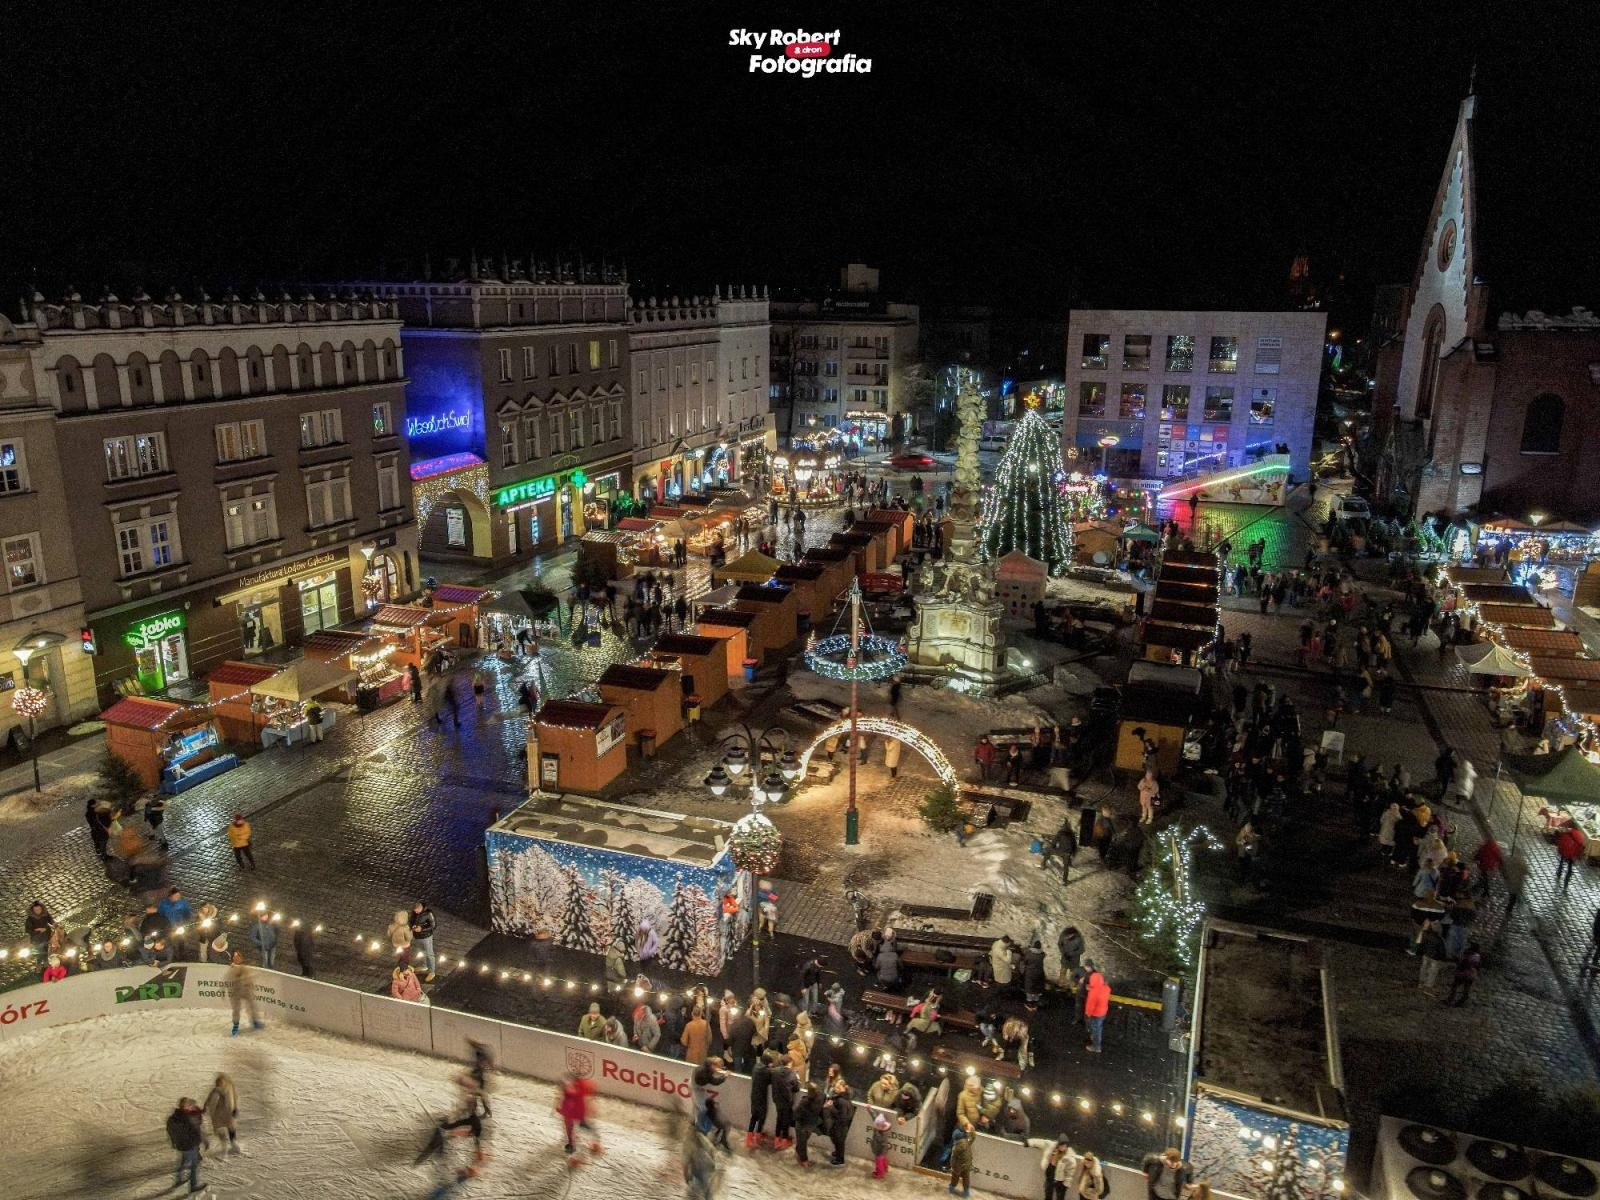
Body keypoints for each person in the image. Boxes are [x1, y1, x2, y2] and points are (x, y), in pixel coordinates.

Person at [557, 1071, 601, 1159]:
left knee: (582, 1126)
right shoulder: (571, 1090)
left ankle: (594, 1140)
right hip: (571, 1113)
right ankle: (571, 1144)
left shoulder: (581, 1086)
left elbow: (592, 1087)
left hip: (577, 1112)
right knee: (570, 1127)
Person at [166, 1097, 205, 1194]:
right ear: (185, 1106)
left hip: (181, 1146)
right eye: (189, 1105)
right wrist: (198, 1142)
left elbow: (170, 1131)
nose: (191, 1107)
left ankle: (178, 1180)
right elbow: (193, 1132)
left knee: (184, 1162)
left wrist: (174, 1142)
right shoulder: (187, 1118)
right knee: (194, 1165)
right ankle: (193, 1186)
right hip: (190, 1145)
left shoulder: (172, 1118)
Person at [227, 952, 264, 1035]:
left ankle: (255, 1021)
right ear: (233, 959)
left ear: (241, 958)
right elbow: (232, 979)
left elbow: (249, 979)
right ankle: (235, 1025)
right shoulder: (232, 968)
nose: (237, 958)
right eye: (235, 957)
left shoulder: (244, 967)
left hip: (246, 990)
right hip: (236, 991)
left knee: (252, 1005)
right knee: (236, 1009)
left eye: (238, 957)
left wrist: (251, 985)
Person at [203, 1073, 240, 1155]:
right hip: (219, 1113)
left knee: (231, 1127)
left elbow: (235, 1097)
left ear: (225, 1081)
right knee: (221, 1129)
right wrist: (205, 1106)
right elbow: (209, 1099)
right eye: (218, 1082)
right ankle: (224, 1145)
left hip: (228, 1112)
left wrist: (236, 1108)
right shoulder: (216, 1090)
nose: (219, 1084)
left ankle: (233, 1144)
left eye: (221, 1082)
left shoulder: (229, 1087)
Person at [771, 1053, 798, 1149]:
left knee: (779, 1118)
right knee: (786, 1120)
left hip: (777, 1099)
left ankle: (776, 1140)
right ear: (789, 1063)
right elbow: (796, 1089)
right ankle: (784, 1141)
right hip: (787, 1101)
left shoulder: (774, 1071)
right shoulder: (792, 1073)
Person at [793, 1079, 823, 1168]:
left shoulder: (805, 1101)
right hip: (811, 1124)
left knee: (802, 1142)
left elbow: (796, 1113)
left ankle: (802, 1158)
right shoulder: (821, 1097)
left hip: (802, 1124)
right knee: (803, 1141)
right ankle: (803, 1159)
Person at [747, 1049, 773, 1148]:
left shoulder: (756, 1067)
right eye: (771, 1063)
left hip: (754, 1095)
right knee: (762, 1117)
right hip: (762, 1097)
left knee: (754, 1116)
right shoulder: (766, 1071)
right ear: (767, 1062)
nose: (771, 1065)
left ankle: (749, 1137)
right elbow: (770, 1081)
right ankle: (758, 1135)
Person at [823, 1077, 853, 1166]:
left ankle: (840, 1159)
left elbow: (841, 1117)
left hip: (840, 1125)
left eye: (837, 1087)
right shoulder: (845, 1097)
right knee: (838, 1141)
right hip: (841, 1125)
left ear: (841, 1088)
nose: (834, 1089)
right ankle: (838, 1153)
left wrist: (831, 1107)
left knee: (839, 1142)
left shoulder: (841, 1101)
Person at [1043, 1135, 1081, 1200]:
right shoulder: (1053, 1149)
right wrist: (1028, 1142)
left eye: (1065, 1146)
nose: (1063, 1147)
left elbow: (1070, 1172)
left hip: (1060, 1180)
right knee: (1048, 1194)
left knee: (1060, 1197)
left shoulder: (1069, 1156)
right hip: (1050, 1177)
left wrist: (1066, 1184)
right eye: (1061, 1145)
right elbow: (1041, 1142)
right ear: (1058, 1145)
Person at [1083, 965, 1111, 1053]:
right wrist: (1092, 987)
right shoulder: (1106, 988)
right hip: (1103, 1012)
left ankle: (1096, 1047)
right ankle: (1094, 1038)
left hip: (1095, 1014)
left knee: (1096, 1029)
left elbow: (1090, 1006)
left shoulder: (1093, 993)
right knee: (1098, 1027)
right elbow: (1099, 987)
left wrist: (1087, 1014)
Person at [410, 902, 438, 982]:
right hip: (417, 936)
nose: (416, 912)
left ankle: (432, 972)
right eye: (414, 911)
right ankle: (424, 965)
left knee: (429, 954)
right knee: (421, 952)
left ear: (421, 908)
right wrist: (412, 926)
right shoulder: (414, 912)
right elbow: (411, 920)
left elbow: (433, 926)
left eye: (417, 911)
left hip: (426, 937)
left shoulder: (429, 913)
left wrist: (422, 929)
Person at [1556, 822, 1586, 888]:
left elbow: (1561, 843)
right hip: (1572, 853)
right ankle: (1567, 880)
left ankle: (1559, 872)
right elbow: (1580, 846)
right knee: (1570, 866)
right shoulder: (1580, 835)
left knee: (1562, 861)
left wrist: (1560, 850)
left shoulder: (1567, 834)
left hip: (1565, 850)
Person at [869, 1110, 893, 1179]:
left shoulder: (881, 1135)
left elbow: (879, 1142)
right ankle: (885, 1168)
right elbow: (874, 1117)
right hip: (883, 1150)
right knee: (883, 1159)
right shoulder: (882, 1129)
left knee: (879, 1161)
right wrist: (869, 1109)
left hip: (879, 1150)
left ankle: (880, 1173)